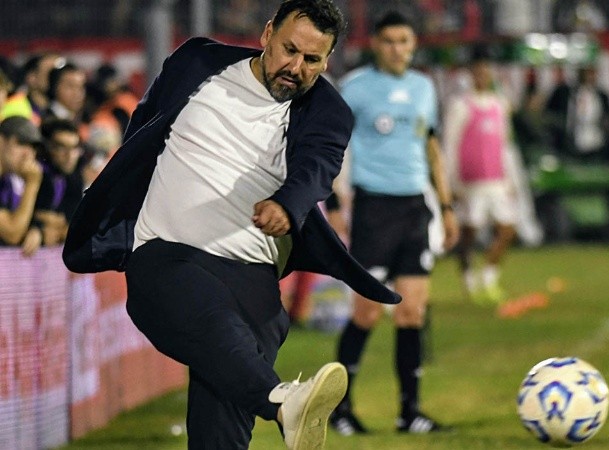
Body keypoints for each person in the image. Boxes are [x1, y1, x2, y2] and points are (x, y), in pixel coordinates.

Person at [61, 1, 400, 449]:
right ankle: (284, 403)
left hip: (252, 278)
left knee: (220, 430)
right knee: (211, 323)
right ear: (266, 34)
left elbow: (315, 168)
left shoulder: (328, 112)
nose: (295, 67)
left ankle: (281, 403)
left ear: (327, 60)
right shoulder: (197, 62)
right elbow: (143, 130)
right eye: (289, 49)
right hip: (166, 254)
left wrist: (287, 204)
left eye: (312, 59)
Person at [329, 11, 459, 436]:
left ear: (414, 44)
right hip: (373, 208)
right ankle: (340, 408)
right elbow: (333, 145)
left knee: (412, 311)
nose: (397, 48)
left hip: (415, 208)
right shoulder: (355, 88)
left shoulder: (423, 88)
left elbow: (432, 148)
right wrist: (334, 201)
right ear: (376, 45)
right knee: (367, 312)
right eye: (389, 41)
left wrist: (446, 205)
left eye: (404, 41)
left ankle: (410, 412)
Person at [442, 48, 517, 304]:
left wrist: (509, 180)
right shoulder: (460, 105)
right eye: (478, 72)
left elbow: (504, 145)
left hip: (495, 180)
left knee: (507, 229)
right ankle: (467, 277)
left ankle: (489, 276)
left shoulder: (500, 104)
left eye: (487, 71)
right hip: (470, 181)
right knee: (470, 232)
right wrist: (451, 182)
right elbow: (450, 144)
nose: (483, 76)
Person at [34, 118, 85, 245]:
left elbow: (72, 223)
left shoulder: (73, 179)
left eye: (74, 148)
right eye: (62, 147)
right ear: (46, 148)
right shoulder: (35, 174)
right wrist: (38, 226)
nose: (69, 155)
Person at [0, 116, 44, 256]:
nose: (28, 154)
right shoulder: (26, 180)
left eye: (33, 147)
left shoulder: (8, 181)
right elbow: (12, 234)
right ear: (1, 142)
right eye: (20, 143)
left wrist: (35, 229)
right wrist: (32, 183)